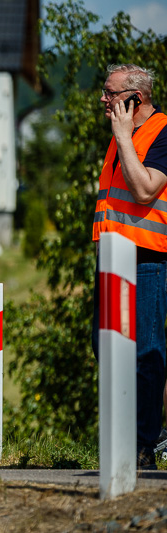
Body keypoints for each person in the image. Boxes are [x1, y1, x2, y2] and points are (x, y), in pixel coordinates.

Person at [91, 64, 167, 469]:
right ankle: (122, 438)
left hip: (146, 260)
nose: (103, 99)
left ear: (136, 98)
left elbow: (144, 190)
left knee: (145, 354)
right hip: (111, 258)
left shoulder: (161, 132)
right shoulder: (122, 136)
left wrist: (122, 137)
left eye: (111, 93)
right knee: (104, 347)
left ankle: (143, 446)